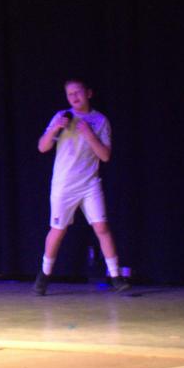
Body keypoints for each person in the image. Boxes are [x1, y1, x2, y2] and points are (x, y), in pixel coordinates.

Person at [33, 78, 129, 295]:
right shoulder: (62, 116)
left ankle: (115, 276)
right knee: (58, 230)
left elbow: (105, 156)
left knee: (102, 227)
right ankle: (44, 275)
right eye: (70, 94)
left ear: (89, 93)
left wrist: (89, 134)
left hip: (89, 184)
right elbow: (42, 147)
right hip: (64, 185)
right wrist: (55, 128)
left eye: (78, 92)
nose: (74, 97)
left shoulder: (100, 120)